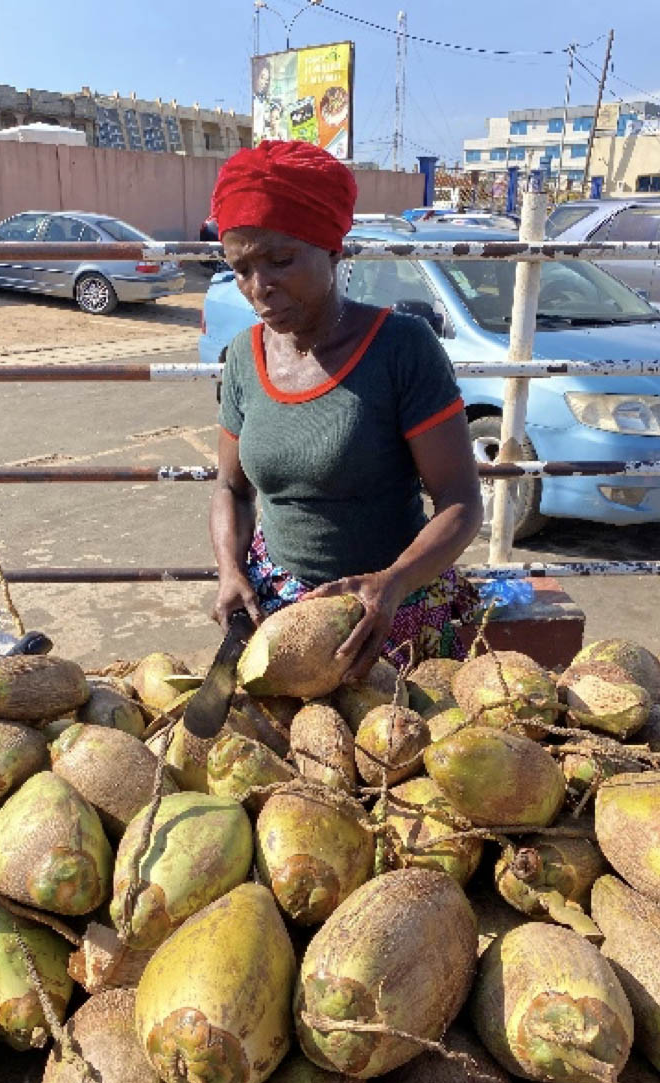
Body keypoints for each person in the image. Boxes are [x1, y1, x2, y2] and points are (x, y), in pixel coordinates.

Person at [209, 140, 483, 684]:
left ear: (333, 249)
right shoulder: (244, 355)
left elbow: (460, 501)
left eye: (281, 260)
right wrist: (230, 573)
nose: (259, 288)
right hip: (279, 608)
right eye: (240, 269)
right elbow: (231, 489)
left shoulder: (401, 347)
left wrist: (395, 582)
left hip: (391, 610)